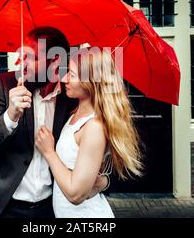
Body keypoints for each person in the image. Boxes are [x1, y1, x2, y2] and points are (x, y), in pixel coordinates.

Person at [0, 27, 109, 218]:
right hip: (1, 206)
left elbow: (102, 154)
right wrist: (10, 116)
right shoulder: (5, 84)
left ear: (55, 61)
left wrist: (104, 181)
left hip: (50, 209)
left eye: (31, 58)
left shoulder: (73, 96)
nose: (21, 63)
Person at [35, 47, 143, 218]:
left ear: (91, 81)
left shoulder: (94, 127)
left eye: (71, 74)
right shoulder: (75, 110)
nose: (64, 79)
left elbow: (75, 194)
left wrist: (49, 152)